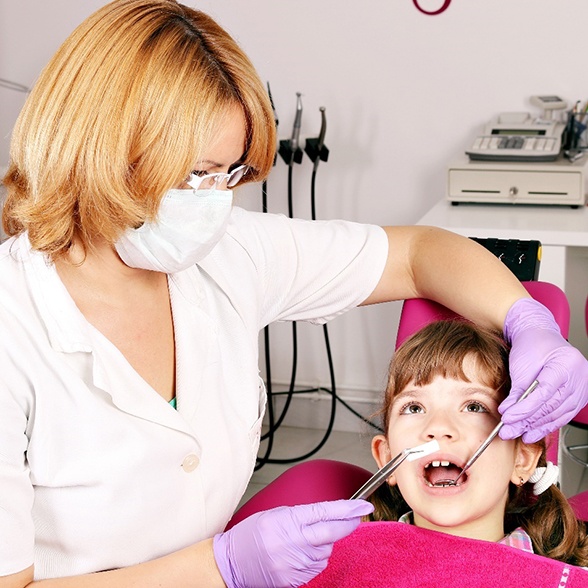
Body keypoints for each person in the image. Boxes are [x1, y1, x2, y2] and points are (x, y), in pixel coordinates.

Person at [0, 0, 587, 586]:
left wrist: (526, 320)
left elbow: (419, 253)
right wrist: (221, 567)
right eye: (192, 174)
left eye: (227, 175)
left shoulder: (226, 253)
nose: (213, 203)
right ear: (97, 147)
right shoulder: (15, 327)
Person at [369, 320, 588, 567]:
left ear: (523, 459)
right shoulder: (349, 565)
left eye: (474, 407)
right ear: (387, 458)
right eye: (414, 407)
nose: (438, 427)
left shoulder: (567, 579)